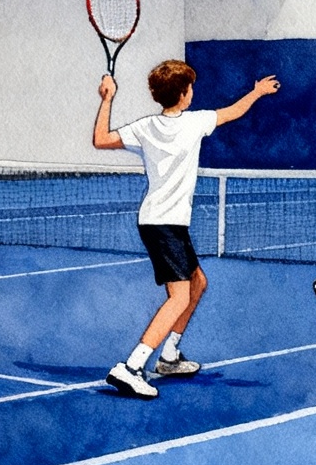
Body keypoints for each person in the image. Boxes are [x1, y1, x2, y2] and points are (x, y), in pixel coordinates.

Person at [95, 61, 278, 399]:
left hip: (165, 222)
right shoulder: (195, 122)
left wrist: (107, 98)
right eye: (190, 87)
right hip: (163, 223)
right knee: (178, 297)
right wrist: (257, 92)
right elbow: (233, 112)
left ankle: (169, 356)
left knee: (198, 283)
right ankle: (131, 367)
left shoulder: (146, 127)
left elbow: (101, 139)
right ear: (182, 94)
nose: (192, 92)